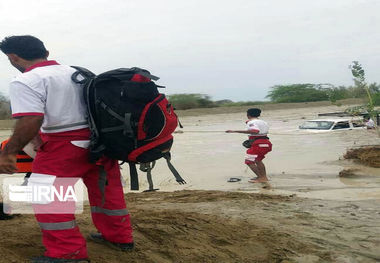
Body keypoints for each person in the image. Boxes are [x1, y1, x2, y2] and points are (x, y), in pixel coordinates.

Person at [0, 35, 133, 263]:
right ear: (47, 53)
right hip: (100, 142)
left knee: (48, 198)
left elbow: (30, 119)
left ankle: (68, 253)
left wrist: (9, 152)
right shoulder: (79, 73)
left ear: (13, 58)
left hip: (63, 147)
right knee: (106, 193)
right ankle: (120, 238)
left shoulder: (26, 81)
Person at [226, 108, 272, 183]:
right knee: (258, 160)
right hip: (266, 143)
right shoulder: (263, 122)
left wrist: (234, 131)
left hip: (258, 144)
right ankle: (262, 177)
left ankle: (262, 178)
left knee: (249, 161)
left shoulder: (251, 122)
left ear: (248, 115)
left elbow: (255, 131)